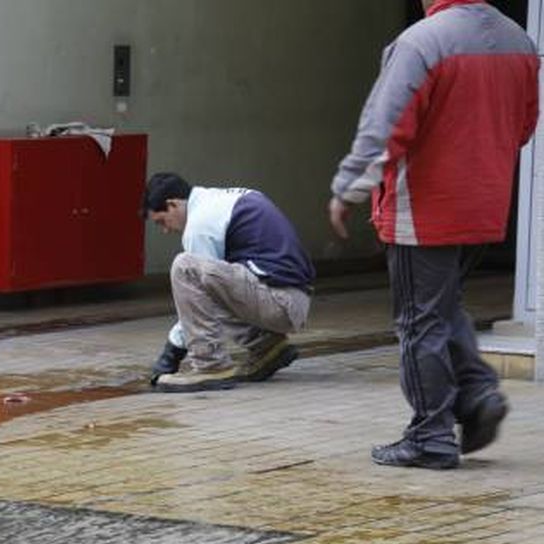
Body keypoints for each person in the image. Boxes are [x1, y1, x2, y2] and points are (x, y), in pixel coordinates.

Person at [329, 0, 539, 470]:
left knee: (419, 321)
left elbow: (386, 128)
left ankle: (431, 436)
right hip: (484, 207)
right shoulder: (518, 40)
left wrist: (349, 187)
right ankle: (479, 396)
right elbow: (524, 127)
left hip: (423, 211)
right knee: (443, 307)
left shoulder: (421, 41)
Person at [145, 173, 315, 392]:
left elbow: (194, 300)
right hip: (291, 298)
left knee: (185, 266)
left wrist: (170, 355)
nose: (166, 230)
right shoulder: (220, 200)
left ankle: (209, 365)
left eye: (162, 221)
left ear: (172, 204)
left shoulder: (200, 224)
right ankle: (267, 348)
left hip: (280, 301)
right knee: (211, 284)